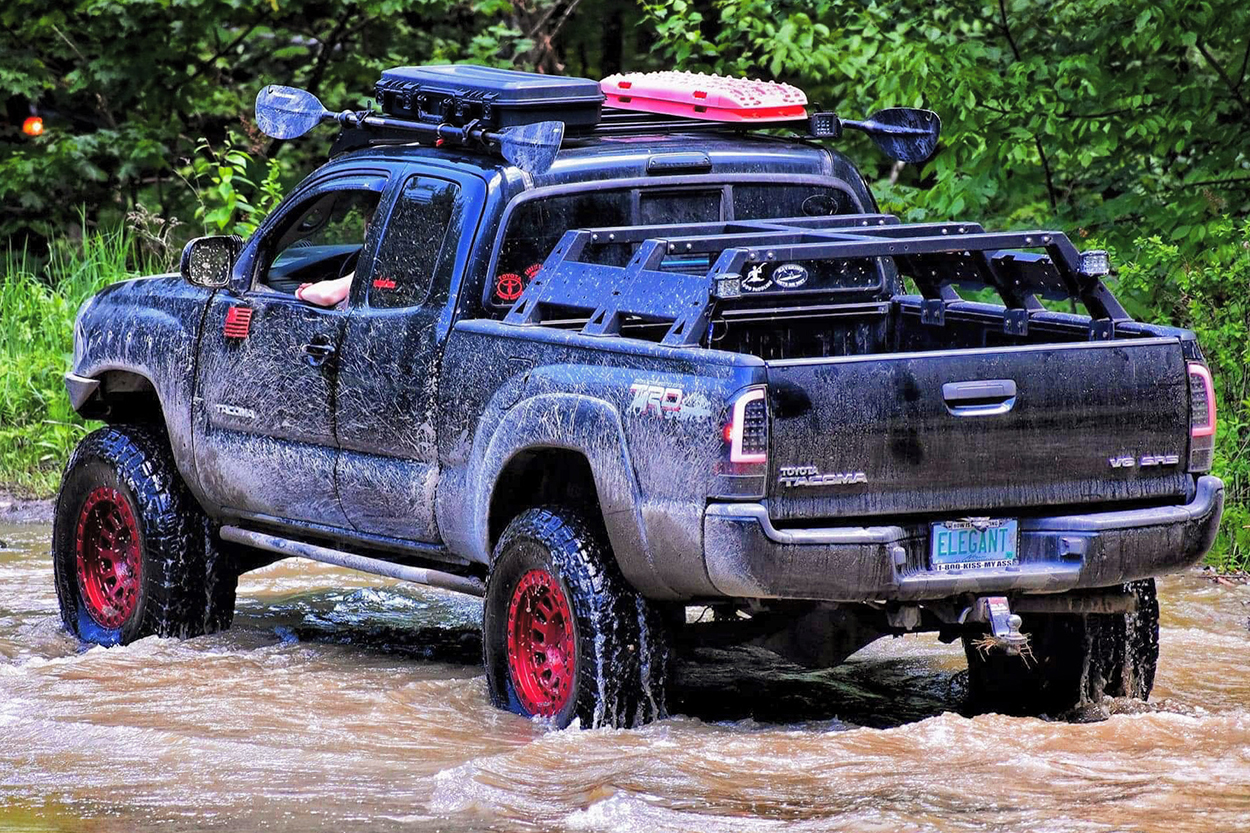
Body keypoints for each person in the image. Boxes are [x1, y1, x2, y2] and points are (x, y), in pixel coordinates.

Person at [295, 199, 375, 307]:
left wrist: (303, 292)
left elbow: (327, 295)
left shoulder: (378, 262)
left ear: (369, 228)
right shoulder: (400, 258)